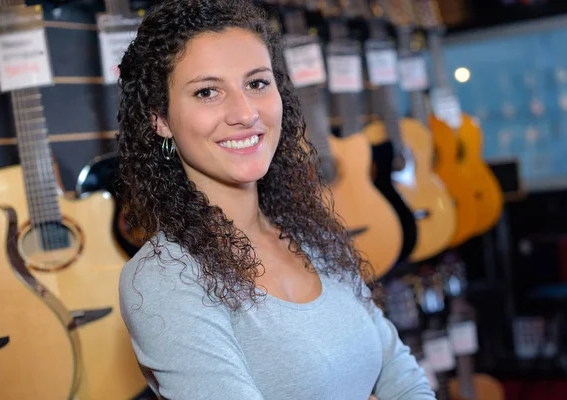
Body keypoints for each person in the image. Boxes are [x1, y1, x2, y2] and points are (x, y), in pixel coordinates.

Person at [116, 0, 436, 399]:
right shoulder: (163, 279)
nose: (245, 113)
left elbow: (404, 376)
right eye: (207, 92)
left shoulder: (312, 235)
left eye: (256, 83)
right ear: (160, 119)